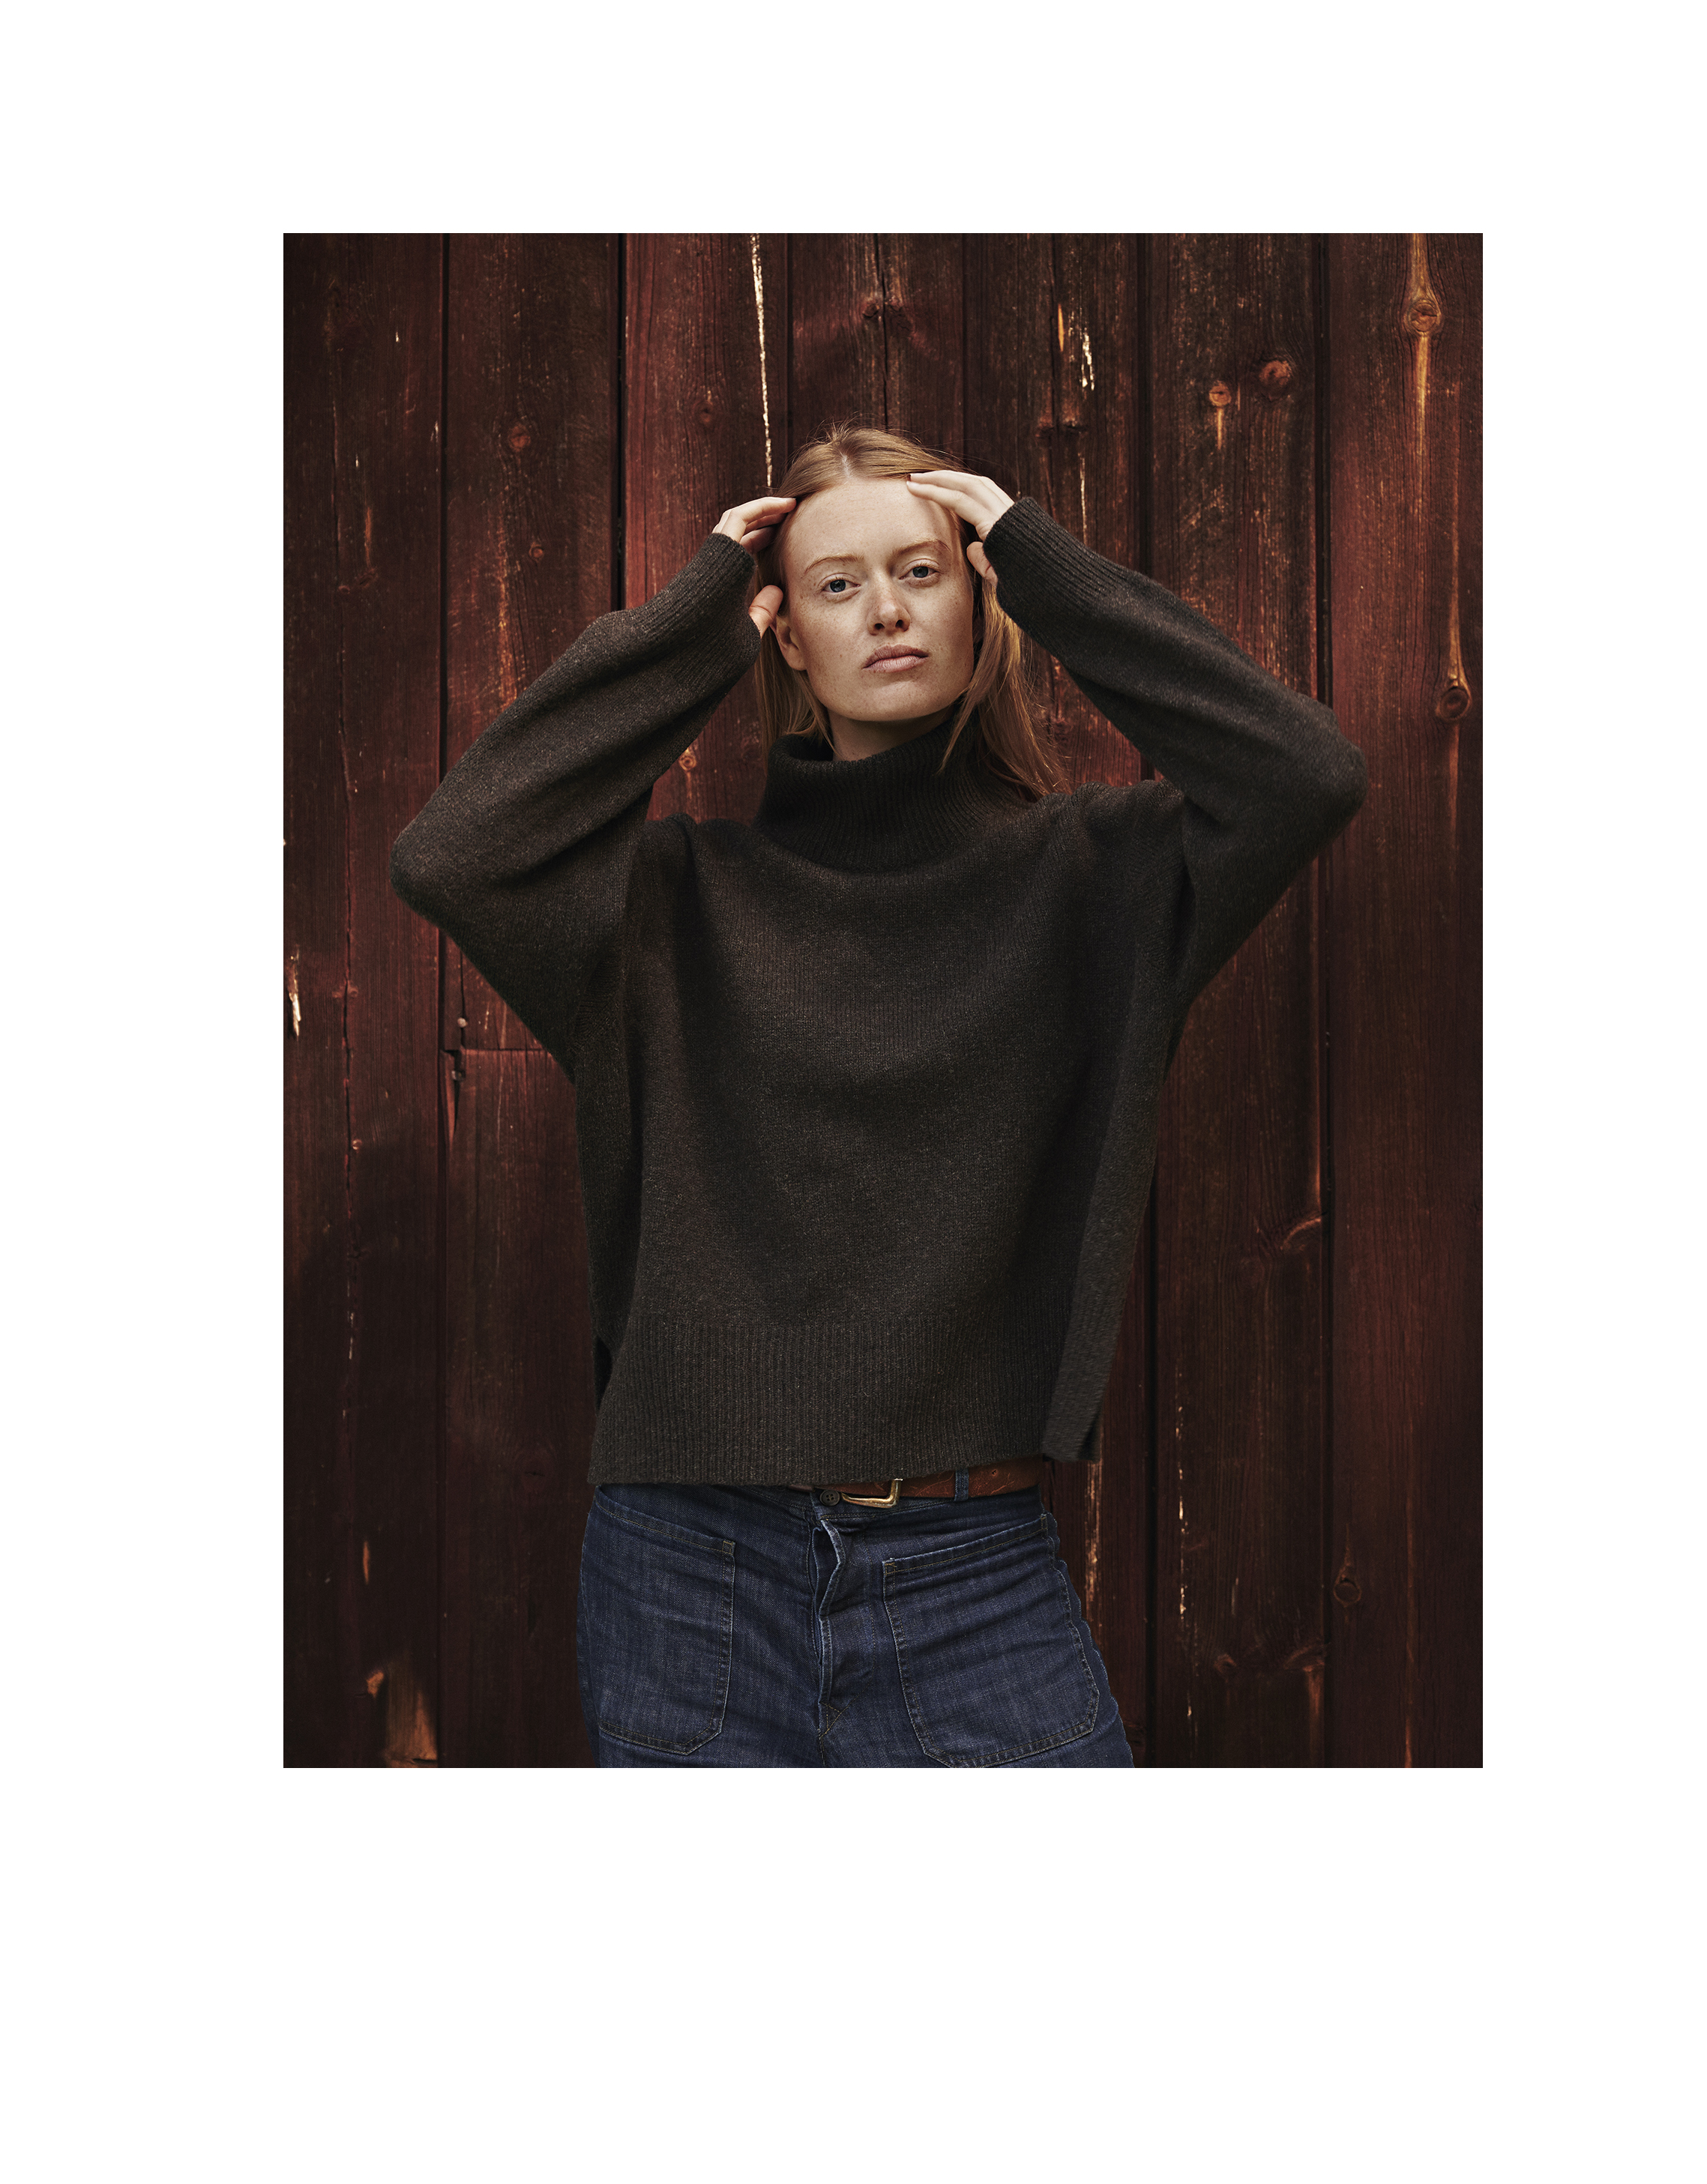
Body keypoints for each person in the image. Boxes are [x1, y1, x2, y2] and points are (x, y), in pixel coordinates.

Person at [390, 423, 1367, 1767]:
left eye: (922, 570)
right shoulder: (667, 903)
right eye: (837, 585)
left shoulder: (1102, 878)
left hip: (970, 1565)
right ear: (785, 637)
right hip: (690, 1570)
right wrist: (689, 632)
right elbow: (453, 852)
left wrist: (1049, 570)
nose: (888, 609)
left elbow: (1305, 773)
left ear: (981, 600)